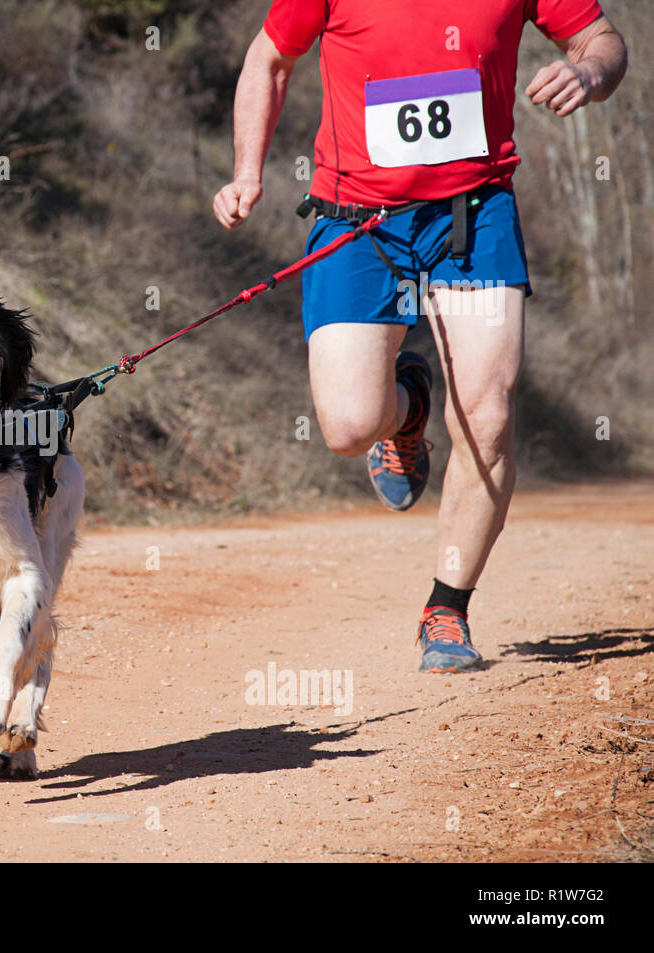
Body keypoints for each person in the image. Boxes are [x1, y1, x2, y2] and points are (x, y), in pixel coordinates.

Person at [214, 1, 627, 673]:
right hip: (355, 218)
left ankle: (448, 606)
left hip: (475, 213)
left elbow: (605, 41)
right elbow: (270, 59)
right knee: (349, 426)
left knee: (489, 416)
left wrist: (589, 74)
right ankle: (409, 404)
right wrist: (247, 172)